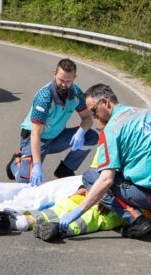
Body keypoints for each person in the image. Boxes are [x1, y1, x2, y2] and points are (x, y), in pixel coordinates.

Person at [56, 83, 151, 240]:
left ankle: (137, 221)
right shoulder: (148, 114)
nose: (93, 116)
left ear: (105, 102)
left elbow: (106, 180)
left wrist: (77, 211)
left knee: (90, 176)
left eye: (93, 110)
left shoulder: (112, 130)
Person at [7, 58, 98, 186]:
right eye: (61, 80)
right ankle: (16, 162)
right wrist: (37, 166)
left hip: (57, 137)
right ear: (54, 73)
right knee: (26, 182)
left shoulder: (76, 93)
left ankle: (65, 169)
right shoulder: (44, 98)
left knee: (91, 136)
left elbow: (87, 118)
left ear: (74, 77)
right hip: (36, 140)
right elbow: (35, 135)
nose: (64, 84)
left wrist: (81, 132)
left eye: (68, 81)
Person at [0, 187, 126, 239]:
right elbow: (94, 172)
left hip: (119, 203)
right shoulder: (108, 143)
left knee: (94, 217)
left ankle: (59, 229)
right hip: (95, 192)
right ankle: (11, 221)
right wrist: (84, 187)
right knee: (63, 206)